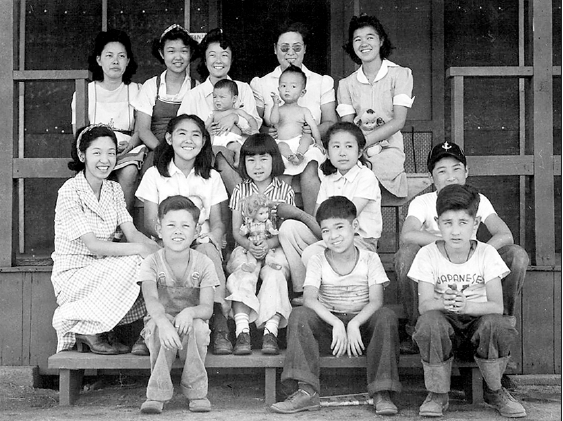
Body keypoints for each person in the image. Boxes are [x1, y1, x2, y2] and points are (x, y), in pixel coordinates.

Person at [395, 141, 529, 355]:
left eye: (457, 169)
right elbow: (408, 234)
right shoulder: (423, 202)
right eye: (442, 171)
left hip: (472, 270)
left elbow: (505, 234)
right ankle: (416, 329)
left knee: (517, 255)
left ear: (466, 171)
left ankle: (501, 324)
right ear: (431, 178)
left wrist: (478, 255)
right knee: (407, 254)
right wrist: (444, 244)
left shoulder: (479, 200)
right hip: (436, 270)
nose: (450, 176)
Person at [271, 196, 400, 416]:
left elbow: (376, 300)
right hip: (330, 327)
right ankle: (306, 391)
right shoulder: (318, 259)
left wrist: (355, 324)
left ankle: (382, 393)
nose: (333, 236)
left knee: (386, 316)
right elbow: (310, 298)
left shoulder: (369, 259)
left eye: (339, 227)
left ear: (355, 226)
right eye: (326, 230)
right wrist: (337, 324)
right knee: (300, 315)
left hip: (362, 328)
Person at [409, 184, 526, 418]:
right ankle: (437, 393)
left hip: (477, 325)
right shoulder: (427, 254)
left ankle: (495, 389)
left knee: (497, 323)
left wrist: (467, 306)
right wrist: (446, 303)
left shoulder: (487, 253)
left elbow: (496, 305)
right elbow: (425, 305)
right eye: (447, 223)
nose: (455, 231)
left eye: (463, 223)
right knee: (429, 321)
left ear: (475, 224)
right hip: (446, 325)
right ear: (437, 222)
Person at [51, 124, 159, 354]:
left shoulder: (113, 190)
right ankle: (88, 329)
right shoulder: (70, 191)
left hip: (102, 270)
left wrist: (160, 252)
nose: (105, 160)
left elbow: (132, 233)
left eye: (111, 153)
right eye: (97, 153)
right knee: (136, 260)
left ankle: (133, 329)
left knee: (153, 260)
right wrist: (142, 249)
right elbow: (93, 245)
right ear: (82, 155)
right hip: (74, 275)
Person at [135, 114, 232, 355]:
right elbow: (150, 222)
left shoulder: (212, 177)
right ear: (168, 138)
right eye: (181, 133)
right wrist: (175, 241)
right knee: (155, 257)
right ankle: (151, 326)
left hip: (201, 243)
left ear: (203, 142)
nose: (188, 140)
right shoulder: (155, 175)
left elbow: (219, 223)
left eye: (196, 135)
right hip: (167, 242)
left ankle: (219, 325)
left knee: (208, 250)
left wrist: (209, 238)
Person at [279, 122, 382, 304]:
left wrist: (298, 213)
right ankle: (303, 289)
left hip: (359, 241)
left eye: (349, 146)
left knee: (311, 253)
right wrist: (298, 217)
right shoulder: (329, 179)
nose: (342, 152)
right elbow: (320, 219)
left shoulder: (366, 177)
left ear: (359, 152)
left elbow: (345, 219)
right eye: (336, 147)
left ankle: (318, 295)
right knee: (288, 228)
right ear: (326, 152)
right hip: (331, 235)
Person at [138, 196, 217, 414]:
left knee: (199, 329)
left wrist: (190, 312)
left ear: (196, 230)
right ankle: (157, 394)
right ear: (159, 229)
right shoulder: (152, 262)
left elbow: (207, 308)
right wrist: (163, 323)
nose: (178, 231)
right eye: (171, 225)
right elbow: (151, 300)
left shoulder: (204, 263)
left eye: (185, 226)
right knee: (156, 329)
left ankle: (197, 392)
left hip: (190, 324)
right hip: (160, 321)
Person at [250, 21, 338, 215]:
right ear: (275, 49)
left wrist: (311, 131)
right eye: (284, 48)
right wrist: (267, 131)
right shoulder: (261, 84)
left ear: (305, 49)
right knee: (279, 173)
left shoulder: (321, 81)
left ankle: (313, 225)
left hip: (308, 145)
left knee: (310, 171)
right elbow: (254, 124)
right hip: (278, 147)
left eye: (297, 48)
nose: (291, 53)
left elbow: (331, 122)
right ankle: (277, 227)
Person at [226, 134, 293, 355]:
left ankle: (270, 332)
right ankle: (242, 332)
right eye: (251, 160)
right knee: (243, 274)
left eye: (263, 159)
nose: (257, 166)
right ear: (243, 163)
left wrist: (269, 243)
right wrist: (249, 245)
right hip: (246, 246)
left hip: (275, 246)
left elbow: (286, 229)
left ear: (274, 160)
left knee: (275, 275)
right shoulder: (240, 190)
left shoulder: (284, 190)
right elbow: (236, 230)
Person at [337, 14, 414, 198]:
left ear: (381, 41)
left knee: (366, 176)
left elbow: (398, 121)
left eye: (370, 37)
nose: (364, 43)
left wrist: (363, 143)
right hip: (354, 150)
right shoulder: (346, 84)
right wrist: (354, 148)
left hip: (388, 150)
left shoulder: (400, 75)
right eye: (357, 39)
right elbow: (348, 126)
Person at [177, 28, 261, 191]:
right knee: (220, 155)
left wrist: (235, 118)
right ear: (205, 59)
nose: (218, 60)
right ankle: (246, 203)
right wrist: (203, 131)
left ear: (231, 59)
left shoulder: (243, 89)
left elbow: (255, 124)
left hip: (242, 152)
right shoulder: (194, 95)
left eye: (224, 55)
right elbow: (181, 131)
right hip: (206, 156)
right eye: (212, 55)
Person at [71, 29, 144, 212]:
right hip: (97, 148)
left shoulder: (137, 90)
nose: (115, 61)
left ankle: (122, 226)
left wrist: (128, 146)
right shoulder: (86, 92)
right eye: (109, 55)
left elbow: (140, 129)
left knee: (128, 172)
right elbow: (79, 133)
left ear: (128, 61)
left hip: (128, 148)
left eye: (121, 56)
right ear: (98, 60)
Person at [132, 24, 198, 166]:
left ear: (191, 53)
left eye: (184, 51)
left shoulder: (197, 87)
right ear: (162, 54)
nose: (178, 57)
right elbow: (143, 130)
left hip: (189, 150)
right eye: (171, 51)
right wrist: (163, 151)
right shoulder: (151, 86)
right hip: (156, 148)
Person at [266, 65, 322, 170]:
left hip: (299, 141)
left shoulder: (304, 110)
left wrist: (319, 142)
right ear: (278, 89)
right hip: (283, 141)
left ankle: (300, 155)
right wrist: (276, 105)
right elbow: (273, 121)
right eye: (283, 86)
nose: (287, 90)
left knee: (307, 138)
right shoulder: (278, 109)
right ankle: (291, 157)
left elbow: (313, 127)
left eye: (293, 86)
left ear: (302, 92)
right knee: (280, 145)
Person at [205, 79, 258, 167]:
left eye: (222, 97)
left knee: (238, 148)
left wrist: (255, 129)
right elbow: (205, 125)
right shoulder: (213, 113)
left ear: (234, 99)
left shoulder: (237, 111)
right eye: (215, 97)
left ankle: (237, 161)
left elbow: (251, 119)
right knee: (205, 143)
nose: (217, 100)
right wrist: (208, 129)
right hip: (216, 138)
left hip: (231, 139)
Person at [238, 193, 280, 272]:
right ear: (253, 213)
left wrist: (273, 231)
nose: (265, 216)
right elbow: (244, 232)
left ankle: (271, 262)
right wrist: (243, 231)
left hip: (264, 242)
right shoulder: (250, 224)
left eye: (267, 212)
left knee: (270, 252)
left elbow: (270, 229)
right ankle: (251, 265)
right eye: (261, 213)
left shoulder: (267, 223)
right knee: (250, 254)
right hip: (253, 244)